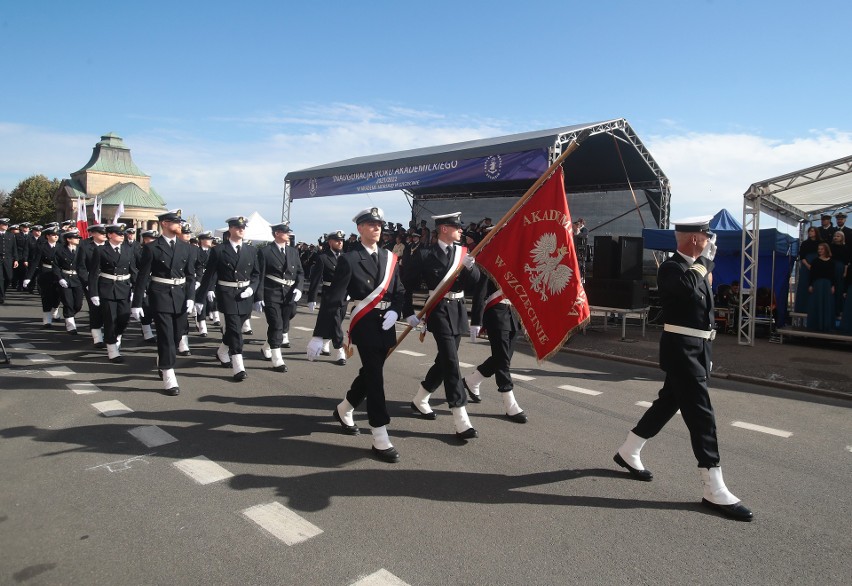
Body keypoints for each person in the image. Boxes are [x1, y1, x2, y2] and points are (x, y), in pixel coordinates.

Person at [613, 217, 753, 521]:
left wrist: (707, 350)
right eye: (707, 236)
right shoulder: (672, 268)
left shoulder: (700, 269)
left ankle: (629, 449)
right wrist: (704, 264)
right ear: (695, 238)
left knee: (668, 403)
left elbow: (704, 313)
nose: (710, 241)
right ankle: (713, 487)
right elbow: (686, 290)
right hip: (681, 350)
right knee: (702, 415)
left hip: (697, 349)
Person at [306, 207, 406, 463]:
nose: (377, 228)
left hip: (387, 323)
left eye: (379, 224)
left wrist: (396, 310)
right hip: (365, 323)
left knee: (370, 372)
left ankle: (344, 408)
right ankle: (380, 434)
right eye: (371, 224)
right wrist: (320, 335)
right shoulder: (350, 259)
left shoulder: (389, 257)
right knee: (375, 377)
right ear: (360, 228)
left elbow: (399, 291)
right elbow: (334, 298)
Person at [403, 212, 480, 440]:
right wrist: (408, 312)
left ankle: (421, 397)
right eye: (457, 228)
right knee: (451, 360)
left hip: (458, 311)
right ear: (444, 229)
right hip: (438, 310)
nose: (461, 231)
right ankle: (460, 415)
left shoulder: (462, 254)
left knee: (445, 359)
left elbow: (474, 284)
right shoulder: (425, 254)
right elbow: (407, 283)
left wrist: (471, 268)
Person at [132, 210, 196, 395]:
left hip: (181, 296)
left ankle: (163, 358)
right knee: (166, 336)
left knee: (177, 336)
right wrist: (137, 303)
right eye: (176, 222)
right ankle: (169, 375)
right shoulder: (152, 248)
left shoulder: (187, 248)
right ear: (165, 224)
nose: (180, 225)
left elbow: (190, 276)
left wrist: (191, 297)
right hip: (160, 295)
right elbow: (143, 277)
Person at [195, 216, 259, 381]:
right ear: (230, 229)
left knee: (235, 327)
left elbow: (257, 275)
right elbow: (209, 275)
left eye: (243, 227)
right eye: (237, 227)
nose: (241, 230)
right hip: (227, 293)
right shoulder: (219, 250)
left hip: (245, 295)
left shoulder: (251, 250)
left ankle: (222, 350)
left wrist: (252, 290)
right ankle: (238, 365)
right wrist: (200, 298)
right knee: (235, 329)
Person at [463, 259, 528, 423]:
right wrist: (476, 320)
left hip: (513, 314)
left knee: (503, 357)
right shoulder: (491, 261)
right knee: (503, 360)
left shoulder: (515, 261)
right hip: (496, 313)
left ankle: (472, 380)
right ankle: (509, 403)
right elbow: (480, 291)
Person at [254, 222, 304, 373]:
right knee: (276, 324)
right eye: (285, 232)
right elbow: (259, 275)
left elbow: (300, 273)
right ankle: (277, 359)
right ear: (277, 233)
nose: (288, 234)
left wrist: (299, 289)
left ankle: (266, 347)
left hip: (289, 293)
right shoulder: (265, 251)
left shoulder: (292, 252)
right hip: (272, 292)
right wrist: (259, 296)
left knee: (285, 321)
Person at [88, 224, 137, 363]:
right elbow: (93, 273)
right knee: (110, 319)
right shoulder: (101, 250)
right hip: (107, 288)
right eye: (118, 233)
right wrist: (94, 293)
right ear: (109, 235)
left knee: (124, 317)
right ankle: (112, 349)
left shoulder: (128, 249)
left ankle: (118, 336)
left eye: (122, 234)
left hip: (124, 287)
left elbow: (133, 270)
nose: (122, 236)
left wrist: (137, 289)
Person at [306, 230, 348, 365]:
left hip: (344, 295)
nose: (340, 242)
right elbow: (315, 279)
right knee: (335, 320)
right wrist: (312, 298)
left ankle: (325, 343)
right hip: (329, 294)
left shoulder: (347, 257)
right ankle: (340, 350)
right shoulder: (323, 257)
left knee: (338, 320)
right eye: (337, 240)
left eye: (341, 240)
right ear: (330, 242)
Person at [23, 225, 61, 327]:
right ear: (47, 236)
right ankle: (47, 319)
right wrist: (28, 277)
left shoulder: (61, 247)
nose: (56, 236)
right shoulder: (42, 247)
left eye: (57, 235)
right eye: (53, 235)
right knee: (46, 296)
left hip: (58, 275)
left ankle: (55, 309)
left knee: (57, 296)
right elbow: (35, 262)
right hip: (45, 273)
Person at [76, 224, 107, 347]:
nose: (104, 235)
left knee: (109, 309)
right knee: (95, 310)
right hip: (92, 282)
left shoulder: (110, 246)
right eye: (100, 232)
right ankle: (97, 336)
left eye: (105, 233)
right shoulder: (84, 246)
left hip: (108, 283)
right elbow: (81, 267)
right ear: (93, 233)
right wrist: (87, 283)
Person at [52, 229, 85, 334]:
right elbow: (56, 266)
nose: (78, 240)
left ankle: (70, 315)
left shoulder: (81, 250)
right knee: (68, 302)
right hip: (65, 277)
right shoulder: (60, 250)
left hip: (78, 278)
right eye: (75, 238)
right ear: (68, 239)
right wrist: (60, 278)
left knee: (78, 304)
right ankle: (70, 325)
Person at [806, 242, 836, 332]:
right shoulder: (815, 261)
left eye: (822, 249)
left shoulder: (831, 262)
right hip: (817, 284)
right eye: (819, 249)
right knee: (816, 303)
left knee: (827, 304)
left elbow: (833, 275)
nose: (820, 250)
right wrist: (811, 285)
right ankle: (816, 325)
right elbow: (812, 274)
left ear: (826, 250)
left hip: (827, 284)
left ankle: (826, 325)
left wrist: (833, 286)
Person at [794, 227, 820, 313]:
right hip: (806, 265)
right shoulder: (805, 243)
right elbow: (802, 256)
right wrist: (808, 265)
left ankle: (815, 307)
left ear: (816, 232)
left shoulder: (821, 243)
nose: (810, 233)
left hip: (818, 265)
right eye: (809, 231)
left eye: (812, 231)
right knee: (804, 284)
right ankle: (802, 308)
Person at [0, 218, 20, 304]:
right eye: (4, 224)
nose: (6, 226)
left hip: (8, 259)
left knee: (9, 277)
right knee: (0, 279)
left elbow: (14, 248)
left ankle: (2, 292)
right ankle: (1, 296)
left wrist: (16, 259)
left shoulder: (11, 235)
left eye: (7, 225)